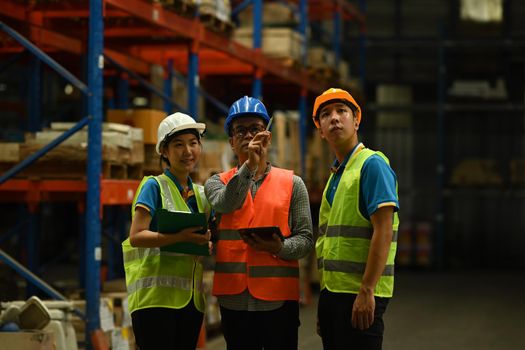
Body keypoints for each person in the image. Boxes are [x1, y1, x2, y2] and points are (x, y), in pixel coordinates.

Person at [204, 96, 313, 350]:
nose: (248, 136)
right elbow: (225, 204)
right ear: (231, 141)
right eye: (240, 131)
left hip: (278, 300)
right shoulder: (215, 182)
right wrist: (249, 167)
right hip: (235, 301)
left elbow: (306, 239)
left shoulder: (293, 184)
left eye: (255, 128)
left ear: (268, 136)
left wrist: (279, 248)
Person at [312, 88, 400, 350]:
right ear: (320, 129)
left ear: (357, 120)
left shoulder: (372, 165)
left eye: (342, 111)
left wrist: (367, 290)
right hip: (335, 295)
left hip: (359, 294)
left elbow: (383, 230)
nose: (335, 118)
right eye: (326, 114)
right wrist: (325, 303)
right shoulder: (338, 174)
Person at [122, 112, 212, 349]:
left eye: (193, 143)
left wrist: (205, 242)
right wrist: (177, 238)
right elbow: (136, 236)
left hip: (190, 301)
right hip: (156, 302)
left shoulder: (201, 194)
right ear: (164, 151)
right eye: (178, 145)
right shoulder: (154, 186)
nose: (188, 151)